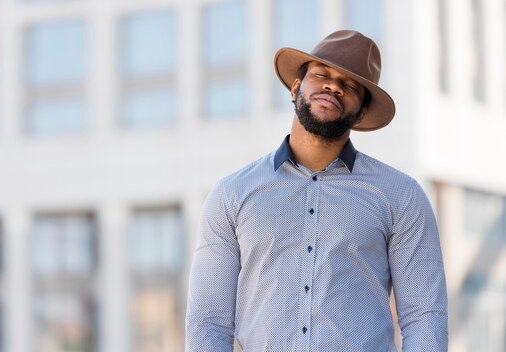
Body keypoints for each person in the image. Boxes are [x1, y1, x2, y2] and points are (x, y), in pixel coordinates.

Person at [185, 30, 448, 351]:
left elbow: (425, 316)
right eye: (322, 74)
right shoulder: (232, 194)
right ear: (296, 88)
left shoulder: (400, 196)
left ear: (362, 110)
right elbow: (208, 320)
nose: (333, 86)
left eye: (349, 85)